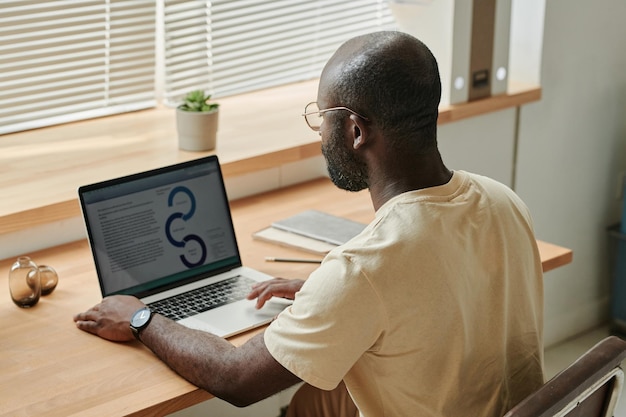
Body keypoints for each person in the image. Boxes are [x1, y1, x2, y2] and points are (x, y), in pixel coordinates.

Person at [74, 31, 544, 416]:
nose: (319, 131)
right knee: (317, 398)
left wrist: (139, 317)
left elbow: (237, 379)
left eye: (322, 117)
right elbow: (444, 284)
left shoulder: (365, 269)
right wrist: (326, 294)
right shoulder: (501, 199)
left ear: (356, 131)